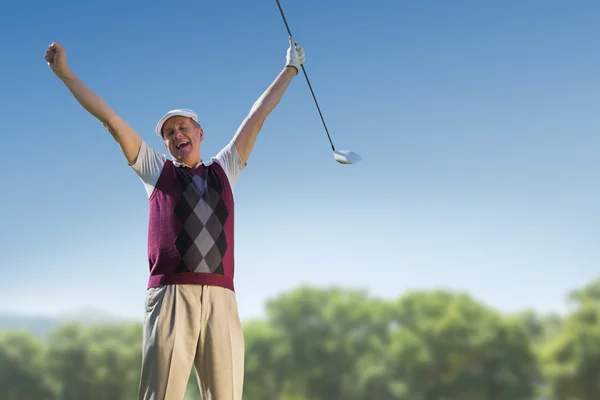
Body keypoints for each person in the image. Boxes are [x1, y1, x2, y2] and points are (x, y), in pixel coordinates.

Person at [44, 37, 305, 400]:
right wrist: (66, 75)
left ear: (200, 133)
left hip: (221, 298)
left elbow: (256, 116)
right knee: (161, 395)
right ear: (165, 144)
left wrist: (290, 69)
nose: (176, 134)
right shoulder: (156, 170)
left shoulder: (225, 168)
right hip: (170, 295)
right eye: (169, 133)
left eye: (182, 127)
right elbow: (110, 118)